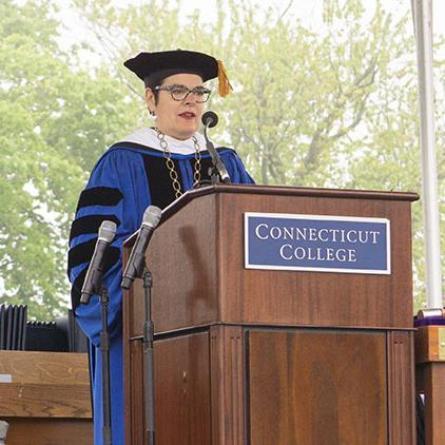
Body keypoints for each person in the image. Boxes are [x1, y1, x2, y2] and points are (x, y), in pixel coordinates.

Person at [67, 49, 254, 444]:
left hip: (218, 332)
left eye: (199, 93)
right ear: (150, 99)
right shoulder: (120, 162)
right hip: (142, 326)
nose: (191, 101)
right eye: (177, 91)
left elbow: (255, 235)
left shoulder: (226, 165)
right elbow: (92, 251)